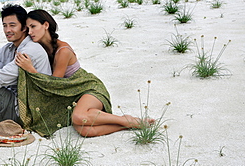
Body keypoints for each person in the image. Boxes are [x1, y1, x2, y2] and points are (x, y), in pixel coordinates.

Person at [15, 9, 154, 137]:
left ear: (45, 25)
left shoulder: (62, 51)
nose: (30, 32)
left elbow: (54, 85)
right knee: (85, 130)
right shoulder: (40, 47)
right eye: (27, 29)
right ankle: (125, 126)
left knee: (78, 117)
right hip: (72, 95)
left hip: (88, 88)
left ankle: (126, 119)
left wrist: (31, 70)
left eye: (33, 26)